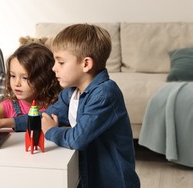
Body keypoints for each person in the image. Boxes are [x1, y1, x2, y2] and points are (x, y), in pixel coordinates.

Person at [13, 24, 140, 188]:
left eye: (60, 62)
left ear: (86, 64)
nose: (53, 68)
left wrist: (51, 131)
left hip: (112, 182)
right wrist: (8, 123)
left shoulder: (105, 94)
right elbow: (45, 117)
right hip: (87, 177)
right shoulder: (71, 92)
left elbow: (77, 139)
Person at [0, 43, 61, 129]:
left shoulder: (58, 105)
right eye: (13, 76)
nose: (17, 83)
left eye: (25, 78)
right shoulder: (8, 105)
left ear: (44, 78)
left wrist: (2, 123)